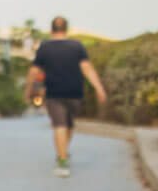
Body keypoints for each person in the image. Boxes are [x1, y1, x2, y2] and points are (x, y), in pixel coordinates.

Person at [29, 15, 107, 176]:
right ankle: (62, 159)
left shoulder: (45, 47)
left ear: (52, 29)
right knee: (64, 125)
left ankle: (62, 155)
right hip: (74, 92)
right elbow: (87, 68)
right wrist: (99, 87)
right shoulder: (76, 46)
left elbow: (34, 70)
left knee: (64, 125)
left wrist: (28, 89)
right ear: (66, 29)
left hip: (54, 92)